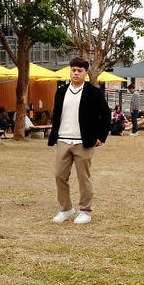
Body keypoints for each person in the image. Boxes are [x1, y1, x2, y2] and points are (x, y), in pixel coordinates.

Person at [48, 57, 110, 224]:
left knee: (83, 177)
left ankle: (85, 210)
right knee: (59, 175)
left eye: (79, 70)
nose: (75, 73)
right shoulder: (61, 92)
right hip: (63, 139)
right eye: (73, 70)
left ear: (85, 72)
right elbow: (57, 115)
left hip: (84, 141)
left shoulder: (93, 92)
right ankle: (66, 208)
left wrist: (100, 137)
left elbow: (106, 115)